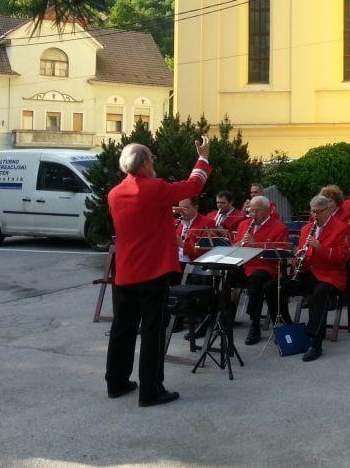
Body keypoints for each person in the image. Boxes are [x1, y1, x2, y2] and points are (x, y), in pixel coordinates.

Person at [105, 137, 211, 407]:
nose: (154, 163)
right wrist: (203, 157)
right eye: (151, 159)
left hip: (125, 271)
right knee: (153, 331)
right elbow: (194, 185)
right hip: (152, 271)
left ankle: (116, 382)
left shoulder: (115, 193)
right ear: (143, 164)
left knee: (122, 329)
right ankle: (150, 390)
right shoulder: (155, 188)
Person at [262, 194, 350, 362]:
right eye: (313, 212)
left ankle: (315, 342)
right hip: (308, 273)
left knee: (321, 292)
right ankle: (288, 326)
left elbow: (343, 257)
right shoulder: (306, 229)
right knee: (272, 287)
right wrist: (298, 258)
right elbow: (301, 256)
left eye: (319, 212)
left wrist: (320, 247)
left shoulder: (341, 228)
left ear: (328, 210)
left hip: (330, 276)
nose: (315, 216)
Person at [235, 196, 290, 345]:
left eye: (257, 211)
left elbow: (282, 251)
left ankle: (254, 324)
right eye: (250, 210)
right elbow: (236, 246)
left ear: (267, 211)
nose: (252, 214)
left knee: (257, 279)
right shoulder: (244, 225)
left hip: (266, 267)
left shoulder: (279, 227)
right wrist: (239, 244)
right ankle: (223, 318)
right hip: (245, 265)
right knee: (224, 275)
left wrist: (257, 244)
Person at [173, 197, 215, 262]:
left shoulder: (207, 223)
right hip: (175, 263)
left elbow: (205, 251)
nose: (181, 211)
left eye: (185, 208)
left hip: (194, 265)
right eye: (179, 208)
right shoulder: (176, 222)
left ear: (196, 207)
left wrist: (182, 244)